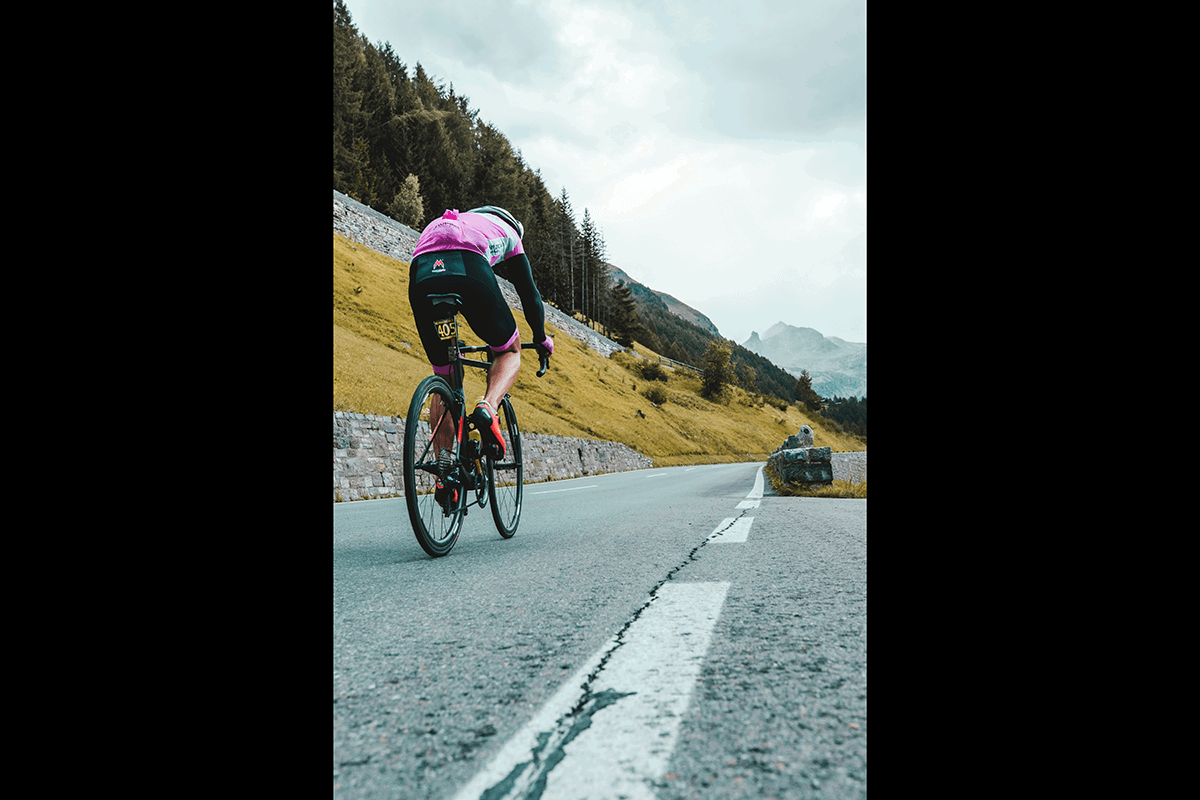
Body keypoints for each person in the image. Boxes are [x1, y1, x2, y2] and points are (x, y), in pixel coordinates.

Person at [408, 206, 553, 495]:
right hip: (468, 265)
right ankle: (488, 407)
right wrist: (541, 339)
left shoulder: (460, 220)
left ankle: (445, 475)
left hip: (421, 272)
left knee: (445, 378)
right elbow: (529, 295)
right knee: (508, 350)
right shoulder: (510, 233)